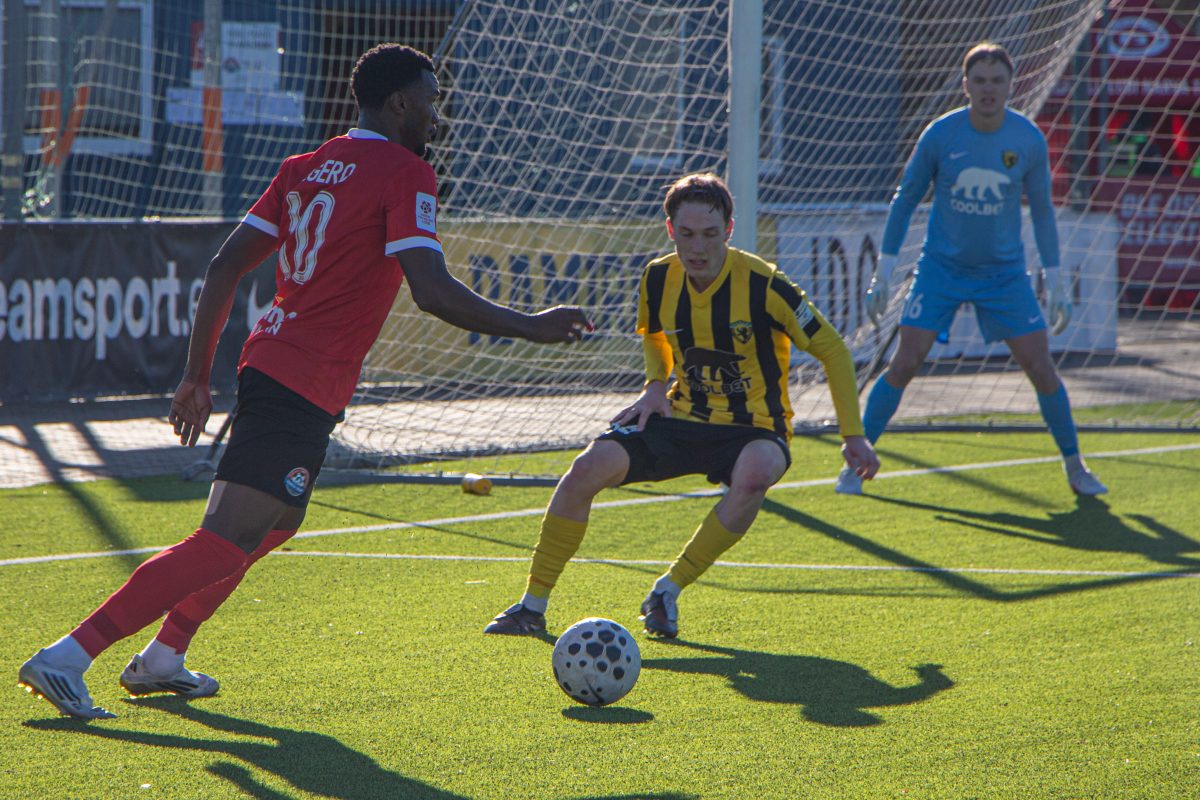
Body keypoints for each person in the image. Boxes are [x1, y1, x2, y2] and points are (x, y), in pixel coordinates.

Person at [18, 44, 592, 719]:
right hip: (300, 378)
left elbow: (225, 267)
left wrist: (197, 376)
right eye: (432, 100)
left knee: (277, 522)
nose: (439, 115)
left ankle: (165, 655)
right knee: (223, 538)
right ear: (399, 103)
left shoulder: (304, 167)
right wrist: (533, 325)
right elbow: (431, 291)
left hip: (281, 367)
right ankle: (68, 656)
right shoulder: (406, 172)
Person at [483, 172, 878, 639]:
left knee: (755, 473)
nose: (698, 247)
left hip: (754, 426)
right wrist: (655, 384)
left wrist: (853, 435)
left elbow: (833, 350)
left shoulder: (766, 284)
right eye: (687, 234)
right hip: (680, 413)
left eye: (710, 234)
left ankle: (667, 590)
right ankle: (531, 608)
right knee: (585, 469)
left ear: (728, 230)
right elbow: (654, 333)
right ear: (670, 230)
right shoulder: (658, 276)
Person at [840, 41, 1107, 497]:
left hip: (1004, 275)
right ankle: (855, 465)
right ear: (965, 85)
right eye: (979, 80)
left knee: (1041, 367)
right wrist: (883, 272)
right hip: (941, 270)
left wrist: (1057, 279)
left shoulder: (1027, 139)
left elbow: (1043, 211)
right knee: (904, 363)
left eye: (997, 80)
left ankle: (1075, 466)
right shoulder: (940, 135)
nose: (988, 89)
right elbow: (905, 200)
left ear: (1011, 85)